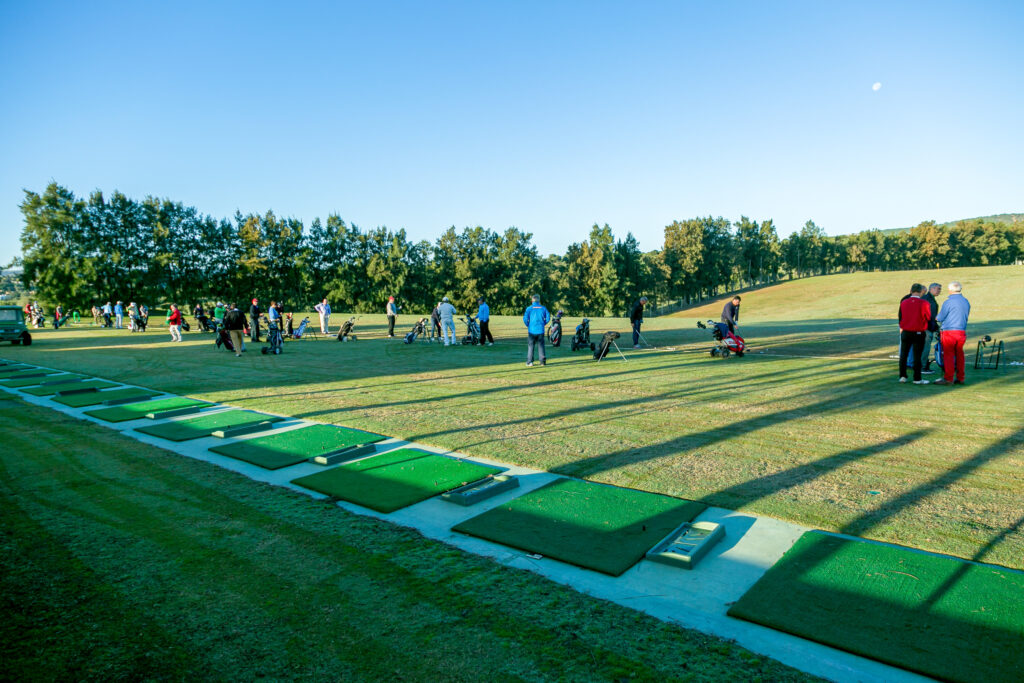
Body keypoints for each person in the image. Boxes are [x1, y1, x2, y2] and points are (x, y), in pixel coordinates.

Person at [934, 281, 971, 385]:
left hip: (949, 331)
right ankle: (960, 378)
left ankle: (948, 378)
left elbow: (940, 317)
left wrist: (935, 318)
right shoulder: (965, 301)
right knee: (960, 355)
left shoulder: (948, 302)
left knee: (948, 355)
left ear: (950, 290)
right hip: (961, 331)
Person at [897, 284, 931, 384]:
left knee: (903, 355)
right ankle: (917, 378)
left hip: (906, 331)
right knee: (917, 356)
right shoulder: (924, 303)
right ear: (921, 291)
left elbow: (902, 316)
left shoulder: (904, 302)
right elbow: (928, 317)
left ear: (911, 290)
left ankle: (902, 376)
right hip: (918, 332)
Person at [523, 294, 550, 367]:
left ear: (532, 300)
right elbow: (548, 317)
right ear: (539, 300)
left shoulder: (529, 308)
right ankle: (542, 362)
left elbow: (525, 319)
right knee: (541, 346)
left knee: (531, 346)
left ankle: (530, 362)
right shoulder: (543, 308)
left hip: (532, 330)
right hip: (540, 330)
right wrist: (543, 323)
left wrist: (528, 325)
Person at [920, 283, 941, 374]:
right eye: (938, 289)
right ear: (931, 289)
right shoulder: (928, 299)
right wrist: (935, 327)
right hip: (926, 327)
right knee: (925, 347)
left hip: (925, 326)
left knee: (923, 347)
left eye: (940, 289)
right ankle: (922, 367)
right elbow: (930, 316)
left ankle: (921, 365)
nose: (939, 290)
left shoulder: (927, 298)